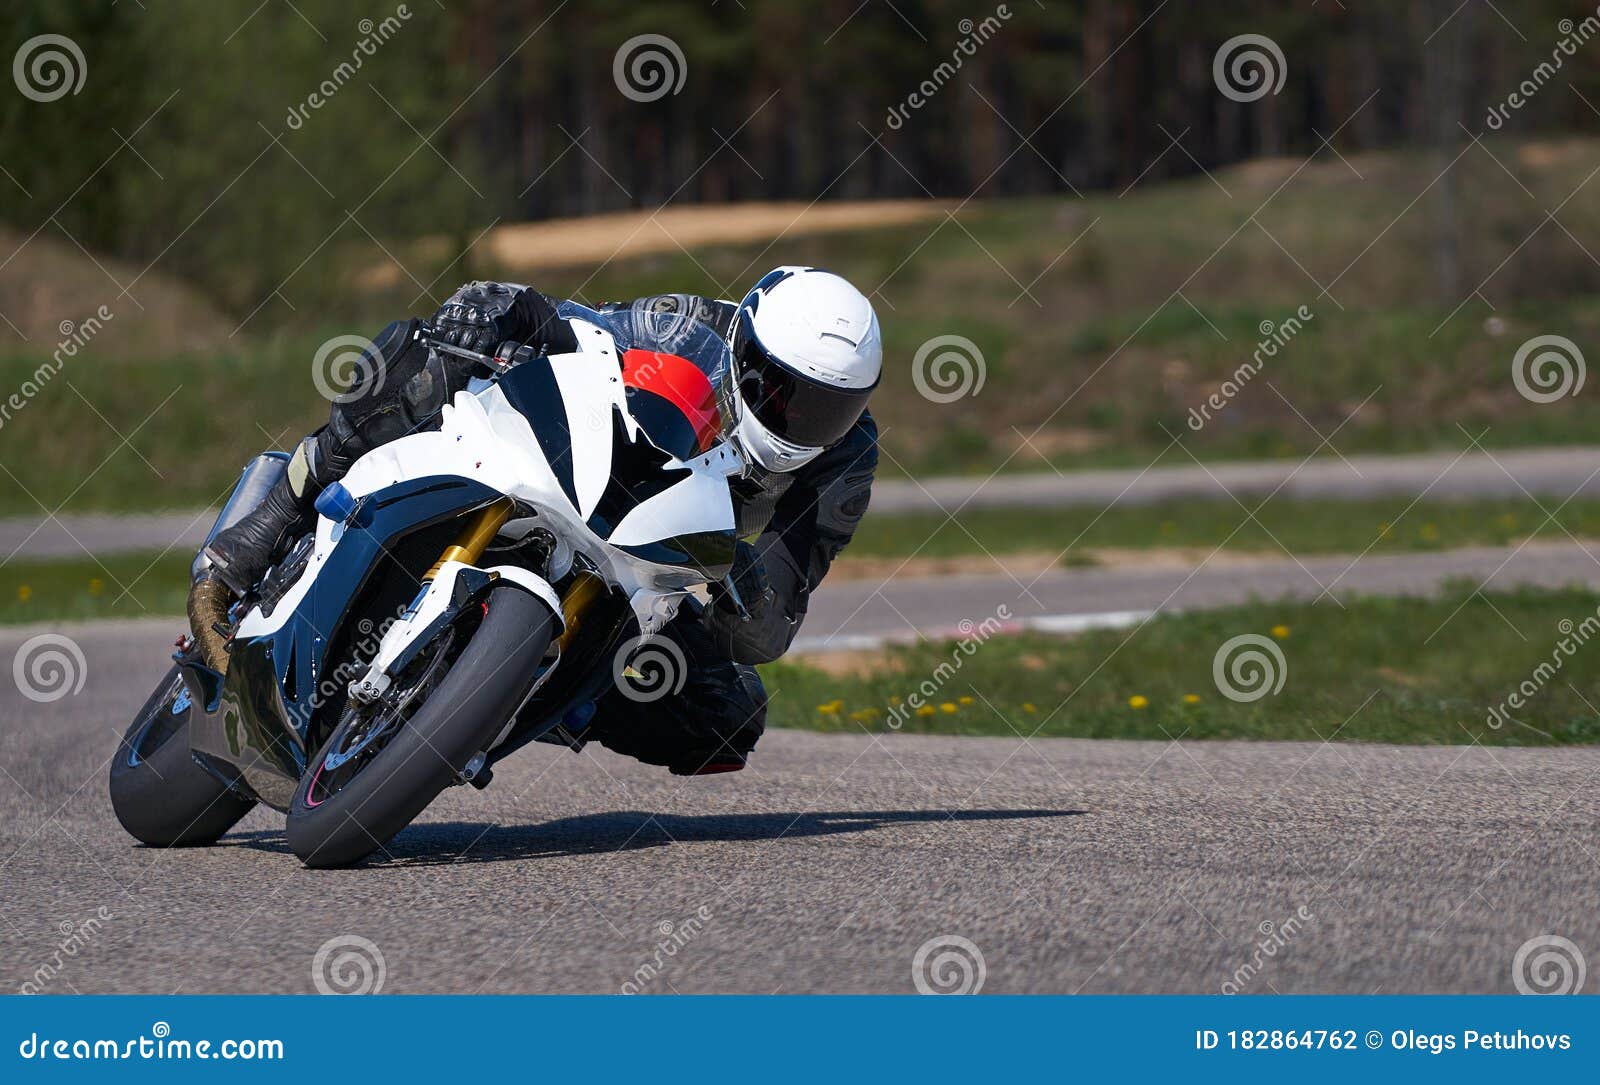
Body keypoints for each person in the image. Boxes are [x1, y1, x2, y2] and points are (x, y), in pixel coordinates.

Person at [198, 266, 882, 775]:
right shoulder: (690, 328)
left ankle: (528, 696)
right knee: (422, 353)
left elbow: (775, 614)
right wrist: (494, 313)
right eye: (778, 387)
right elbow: (571, 323)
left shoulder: (845, 461)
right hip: (579, 468)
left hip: (648, 566)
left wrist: (747, 587)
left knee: (728, 717)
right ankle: (283, 508)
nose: (797, 416)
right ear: (745, 346)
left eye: (827, 408)